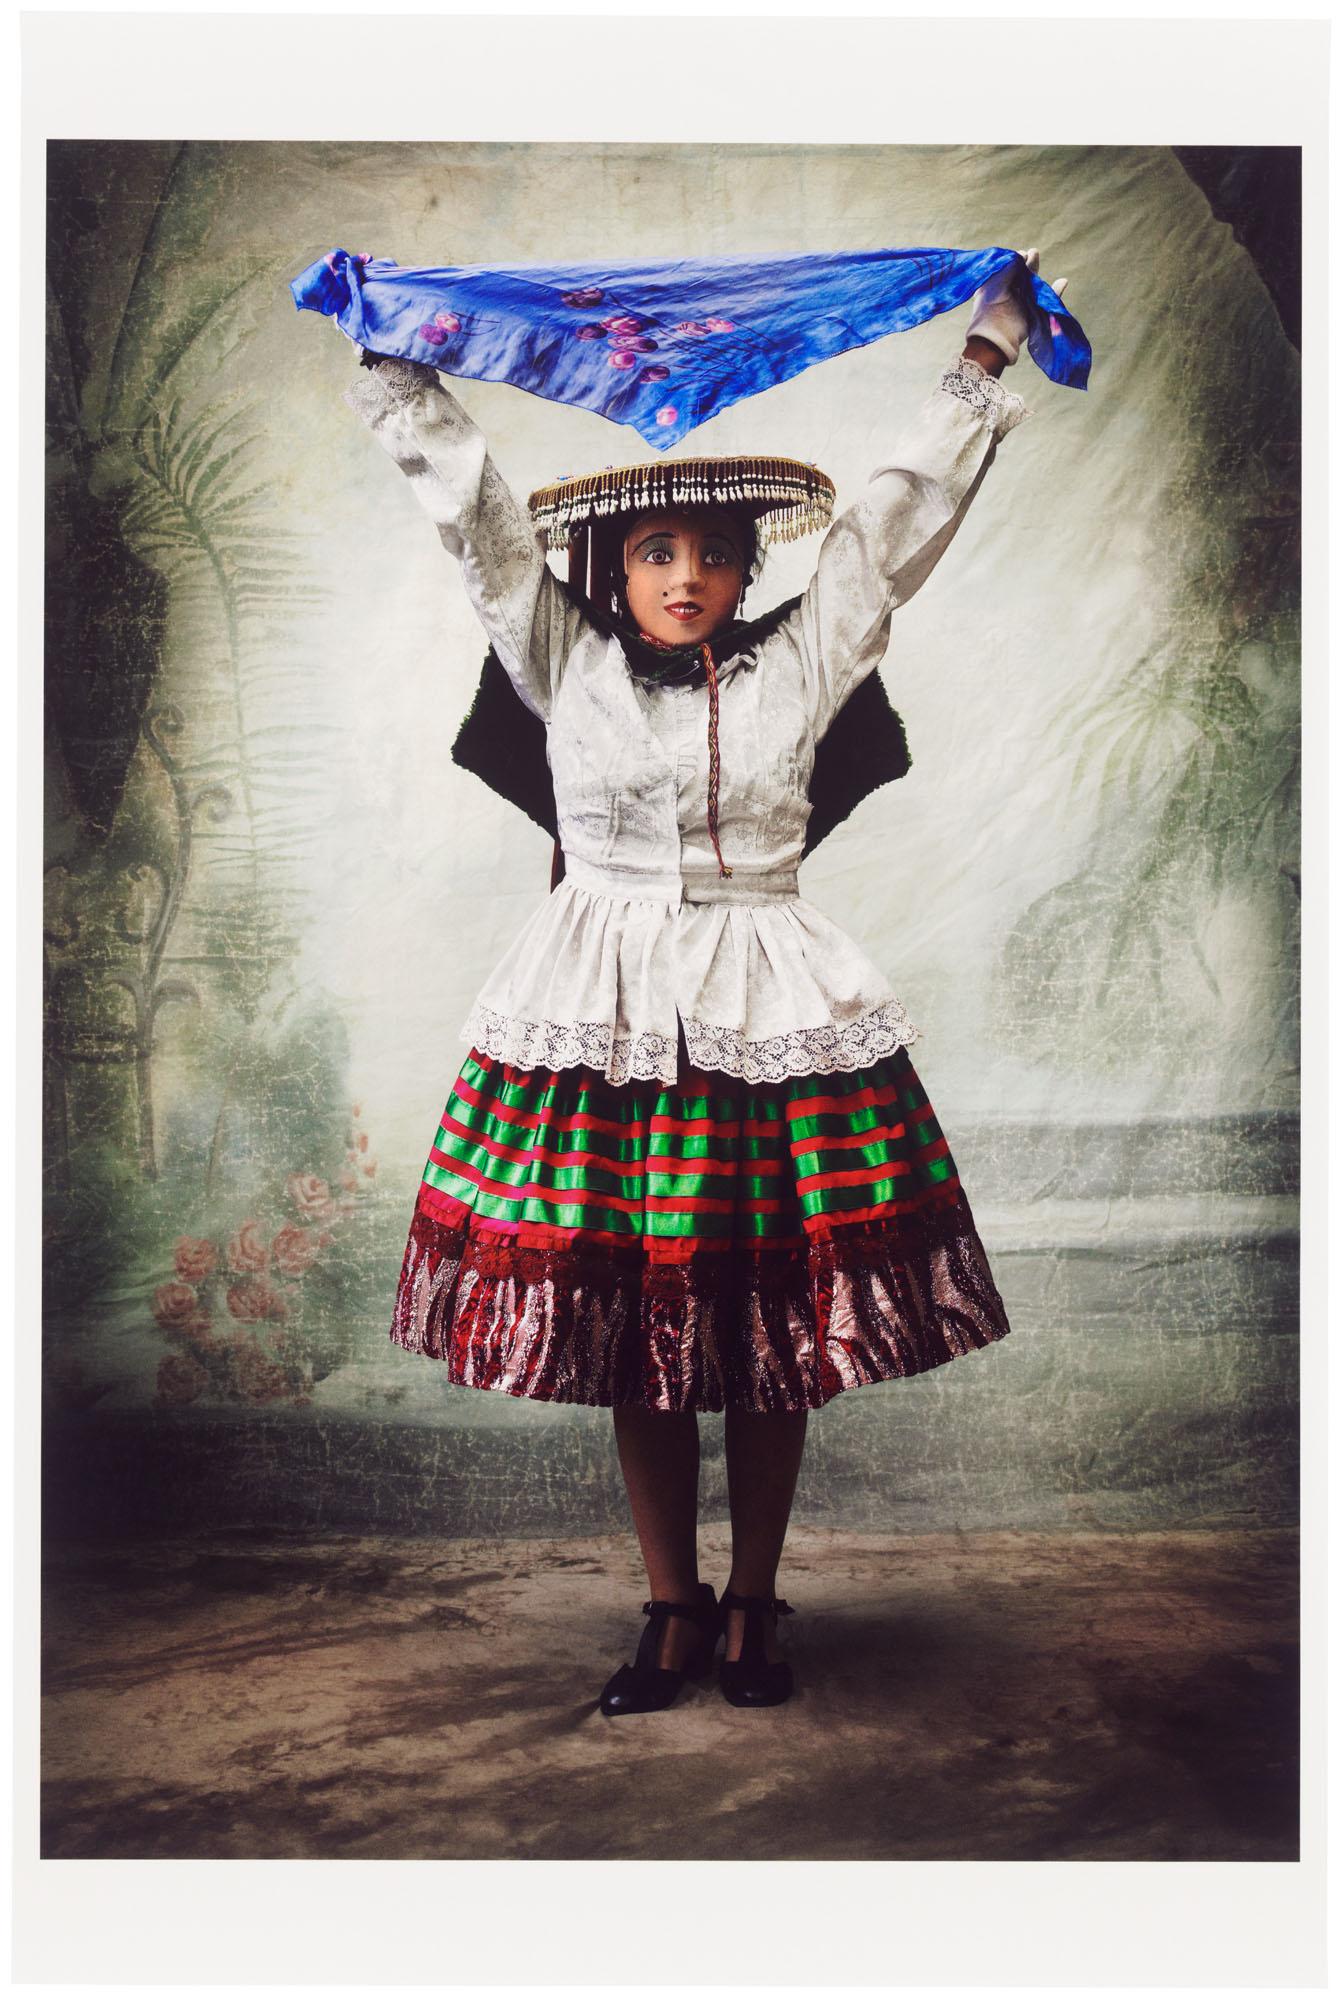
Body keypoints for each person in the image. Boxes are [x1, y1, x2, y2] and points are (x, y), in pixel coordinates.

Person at [342, 248, 1062, 1713]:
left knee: (770, 1330)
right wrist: (392, 358)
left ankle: (753, 1605)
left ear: (746, 567)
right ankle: (669, 1605)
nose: (685, 578)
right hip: (600, 1020)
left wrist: (984, 358)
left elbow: (892, 527)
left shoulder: (806, 661)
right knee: (640, 1333)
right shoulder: (560, 656)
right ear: (615, 566)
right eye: (657, 553)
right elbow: (476, 520)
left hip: (766, 1018)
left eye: (712, 552)